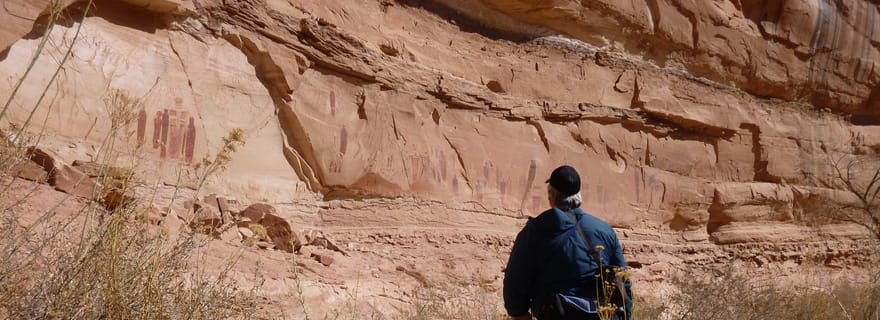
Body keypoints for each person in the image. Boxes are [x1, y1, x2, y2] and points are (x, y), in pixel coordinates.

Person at [503, 165, 632, 320]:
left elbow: (514, 283)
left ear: (551, 196)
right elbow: (623, 280)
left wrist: (519, 314)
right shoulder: (605, 230)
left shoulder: (536, 230)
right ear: (579, 197)